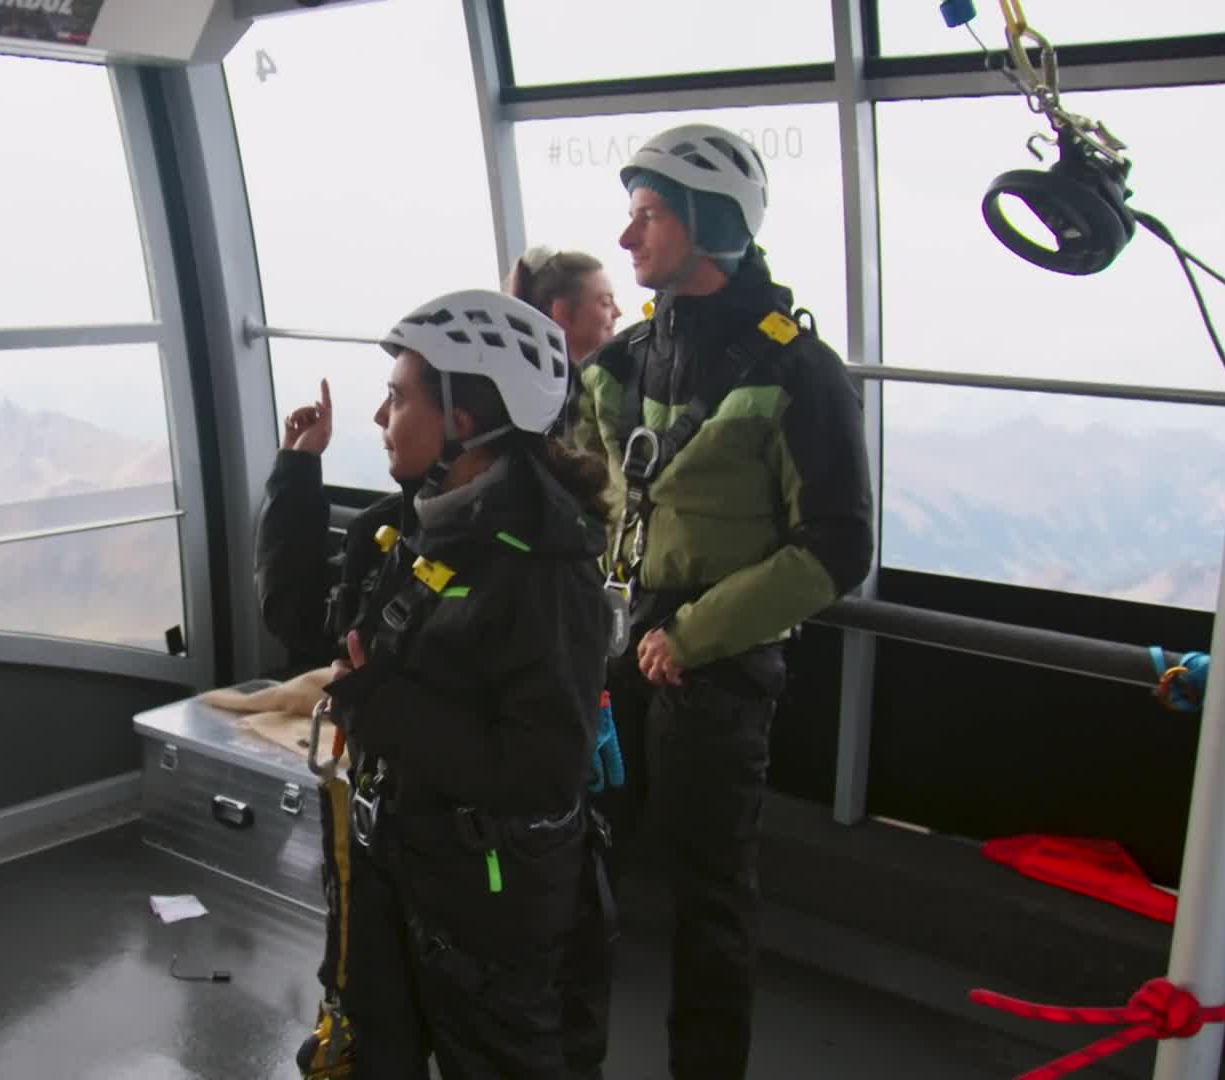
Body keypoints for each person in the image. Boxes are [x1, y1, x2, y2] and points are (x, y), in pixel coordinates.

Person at [571, 124, 874, 1079]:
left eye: (649, 216)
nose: (627, 238)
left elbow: (838, 544)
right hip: (614, 651)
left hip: (716, 667)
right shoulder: (621, 362)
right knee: (575, 861)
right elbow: (583, 498)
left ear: (711, 224)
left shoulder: (798, 372)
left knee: (709, 897)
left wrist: (692, 636)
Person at [256, 288, 615, 1078]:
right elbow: (302, 621)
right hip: (386, 862)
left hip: (487, 895)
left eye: (398, 398)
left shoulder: (546, 574)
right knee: (376, 1050)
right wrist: (297, 472)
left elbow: (542, 771)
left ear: (464, 419)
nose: (381, 417)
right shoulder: (403, 528)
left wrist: (380, 705)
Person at [507, 245, 622, 438]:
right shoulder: (565, 407)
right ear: (562, 313)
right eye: (606, 303)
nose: (618, 312)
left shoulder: (529, 395)